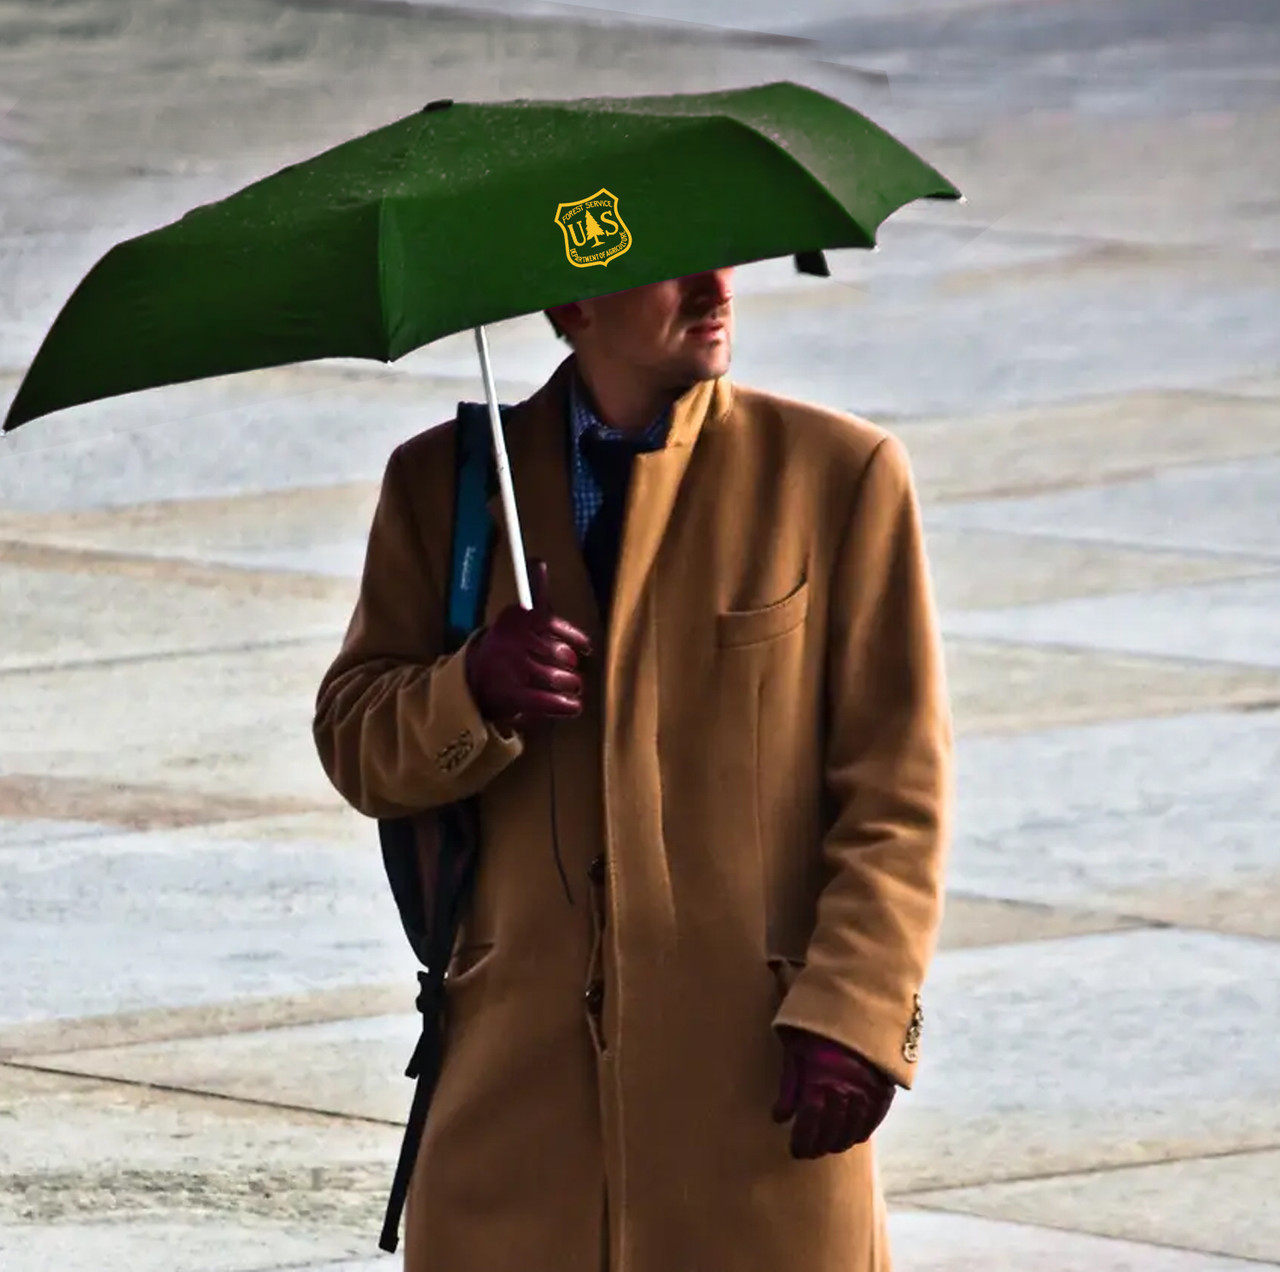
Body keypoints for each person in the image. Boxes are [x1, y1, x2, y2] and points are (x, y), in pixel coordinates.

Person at [312, 266, 952, 1272]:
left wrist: (858, 1012)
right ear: (573, 309)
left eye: (720, 253)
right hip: (510, 1117)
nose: (712, 286)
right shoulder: (445, 487)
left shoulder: (836, 475)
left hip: (756, 1099)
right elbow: (356, 742)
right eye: (668, 264)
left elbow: (896, 787)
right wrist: (470, 690)